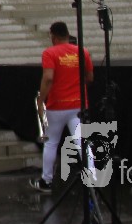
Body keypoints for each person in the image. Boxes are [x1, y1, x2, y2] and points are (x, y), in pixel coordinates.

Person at [30, 21, 93, 192]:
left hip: (57, 105)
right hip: (78, 104)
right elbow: (90, 77)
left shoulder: (49, 53)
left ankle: (47, 180)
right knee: (81, 142)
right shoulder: (83, 52)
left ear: (53, 36)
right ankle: (92, 180)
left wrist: (41, 99)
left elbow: (48, 78)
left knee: (51, 143)